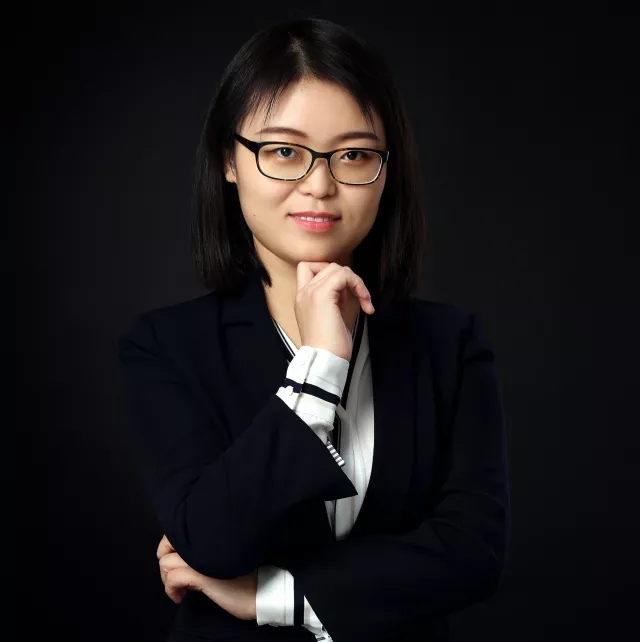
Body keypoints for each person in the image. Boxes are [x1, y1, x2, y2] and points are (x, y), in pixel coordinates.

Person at [118, 17, 510, 642]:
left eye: (354, 154)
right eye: (283, 151)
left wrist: (276, 595)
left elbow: (472, 553)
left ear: (387, 168)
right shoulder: (165, 348)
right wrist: (321, 364)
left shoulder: (451, 344)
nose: (321, 185)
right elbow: (211, 540)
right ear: (228, 160)